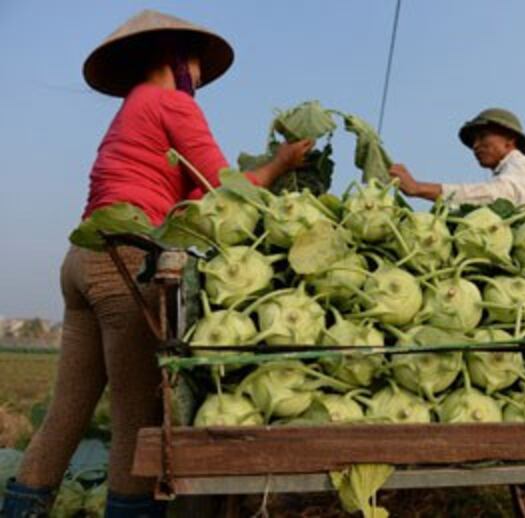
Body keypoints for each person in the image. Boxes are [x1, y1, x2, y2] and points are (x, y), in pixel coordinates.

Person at [1, 10, 311, 518]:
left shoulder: (133, 108)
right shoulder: (172, 104)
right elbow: (219, 189)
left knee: (66, 413)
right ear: (174, 57)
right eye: (196, 62)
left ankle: (20, 509)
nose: (200, 74)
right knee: (135, 417)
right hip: (125, 260)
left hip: (81, 260)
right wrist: (278, 166)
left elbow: (189, 193)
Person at [389, 108, 525, 212]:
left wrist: (418, 188)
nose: (476, 146)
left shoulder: (521, 165)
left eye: (483, 137)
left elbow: (496, 196)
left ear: (510, 140)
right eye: (473, 142)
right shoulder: (508, 170)